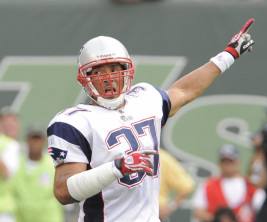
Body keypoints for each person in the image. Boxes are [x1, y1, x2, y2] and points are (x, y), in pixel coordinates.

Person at [47, 18, 255, 222]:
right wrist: (116, 168)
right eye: (99, 72)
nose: (108, 78)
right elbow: (63, 191)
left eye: (114, 69)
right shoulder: (75, 121)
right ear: (85, 78)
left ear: (126, 70)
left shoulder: (145, 99)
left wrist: (228, 55)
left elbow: (184, 90)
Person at [193, 144, 264, 222]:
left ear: (238, 162)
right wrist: (217, 219)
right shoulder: (208, 186)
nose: (227, 164)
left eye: (230, 161)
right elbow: (198, 212)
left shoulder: (251, 186)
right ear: (219, 163)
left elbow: (263, 210)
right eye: (224, 161)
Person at [11, 127, 63, 222]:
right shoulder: (16, 163)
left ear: (44, 142)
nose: (35, 143)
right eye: (32, 139)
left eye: (38, 139)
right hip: (21, 218)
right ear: (27, 141)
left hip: (48, 218)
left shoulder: (53, 164)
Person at [159, 148, 194, 221]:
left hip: (155, 211)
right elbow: (187, 186)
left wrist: (171, 207)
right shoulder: (163, 157)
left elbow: (186, 186)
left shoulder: (163, 158)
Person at [0, 109, 20, 222]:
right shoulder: (11, 145)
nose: (11, 126)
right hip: (4, 211)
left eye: (14, 122)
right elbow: (8, 173)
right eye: (7, 123)